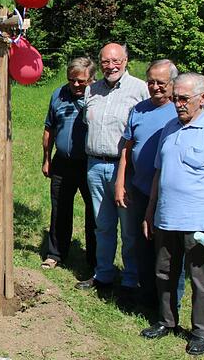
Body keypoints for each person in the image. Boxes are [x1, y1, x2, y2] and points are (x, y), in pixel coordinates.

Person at [139, 73, 204, 356]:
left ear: (203, 98)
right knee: (164, 272)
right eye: (175, 99)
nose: (178, 104)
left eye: (184, 99)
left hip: (199, 222)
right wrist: (150, 210)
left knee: (200, 279)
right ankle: (167, 321)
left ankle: (202, 332)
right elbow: (160, 172)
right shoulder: (170, 128)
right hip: (166, 218)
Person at [76, 43, 148, 301]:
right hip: (95, 165)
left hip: (124, 167)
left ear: (126, 60)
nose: (110, 66)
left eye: (115, 60)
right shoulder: (91, 90)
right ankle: (103, 274)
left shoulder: (140, 89)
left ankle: (130, 279)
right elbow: (87, 122)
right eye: (105, 61)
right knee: (102, 225)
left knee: (128, 228)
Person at [114, 60, 180, 307]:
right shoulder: (139, 110)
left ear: (172, 84)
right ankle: (146, 294)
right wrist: (120, 182)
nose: (154, 87)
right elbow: (126, 150)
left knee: (166, 253)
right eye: (150, 82)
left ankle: (169, 304)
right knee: (140, 245)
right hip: (140, 189)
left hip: (169, 195)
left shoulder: (180, 111)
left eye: (160, 83)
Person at [41, 58, 96, 270]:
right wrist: (46, 159)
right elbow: (49, 129)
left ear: (92, 79)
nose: (75, 85)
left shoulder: (99, 96)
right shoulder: (59, 94)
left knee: (94, 212)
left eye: (81, 81)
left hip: (90, 164)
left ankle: (94, 258)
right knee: (60, 209)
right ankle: (56, 253)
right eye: (71, 80)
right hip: (62, 163)